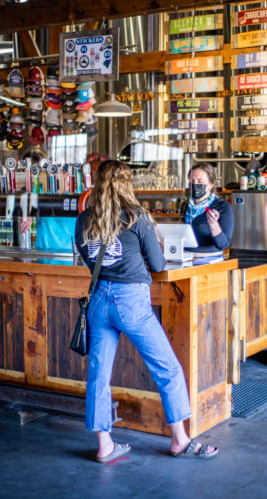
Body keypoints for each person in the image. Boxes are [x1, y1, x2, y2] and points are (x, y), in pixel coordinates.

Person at [75, 159, 218, 463]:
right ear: (127, 183)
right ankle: (179, 439)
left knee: (99, 374)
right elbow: (158, 265)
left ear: (98, 184)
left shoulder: (84, 219)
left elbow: (90, 261)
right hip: (131, 302)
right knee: (167, 368)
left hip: (99, 300)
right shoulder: (136, 217)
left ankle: (105, 446)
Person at [181, 162, 234, 254]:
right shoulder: (186, 205)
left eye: (200, 181)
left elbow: (223, 245)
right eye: (192, 181)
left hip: (209, 261)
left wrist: (213, 224)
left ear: (211, 184)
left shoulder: (222, 206)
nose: (195, 184)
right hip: (186, 258)